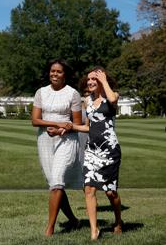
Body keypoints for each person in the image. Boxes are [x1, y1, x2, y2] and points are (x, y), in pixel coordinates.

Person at [31, 59, 83, 236]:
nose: (54, 74)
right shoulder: (41, 92)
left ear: (65, 74)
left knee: (57, 180)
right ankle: (74, 220)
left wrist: (61, 130)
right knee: (54, 183)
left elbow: (77, 123)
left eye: (59, 72)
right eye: (52, 71)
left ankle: (50, 228)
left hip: (67, 141)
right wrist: (57, 123)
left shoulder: (73, 94)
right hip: (45, 140)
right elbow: (35, 120)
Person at [72, 66, 123, 240]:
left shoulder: (113, 95)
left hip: (110, 151)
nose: (91, 82)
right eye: (89, 79)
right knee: (89, 188)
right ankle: (94, 230)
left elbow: (111, 99)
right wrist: (71, 127)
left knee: (110, 192)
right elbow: (88, 126)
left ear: (103, 80)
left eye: (95, 79)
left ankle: (118, 221)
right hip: (92, 150)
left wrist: (103, 81)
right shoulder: (87, 100)